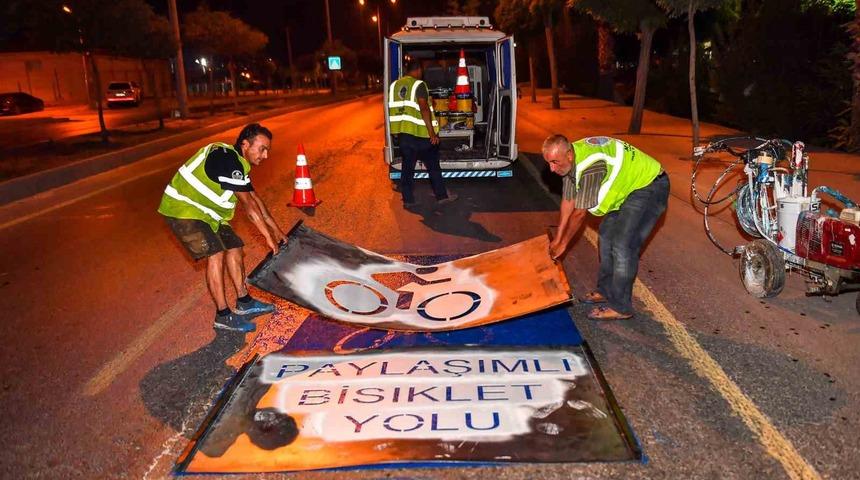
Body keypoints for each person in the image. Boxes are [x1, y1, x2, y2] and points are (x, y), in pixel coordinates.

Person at [158, 123, 286, 332]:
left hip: (208, 214)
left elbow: (255, 200)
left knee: (234, 247)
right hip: (183, 209)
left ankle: (244, 301)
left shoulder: (238, 166)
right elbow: (249, 207)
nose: (265, 155)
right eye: (262, 148)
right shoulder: (227, 159)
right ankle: (223, 315)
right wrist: (269, 240)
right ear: (245, 144)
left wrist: (277, 231)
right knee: (215, 253)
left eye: (267, 150)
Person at [543, 135, 669, 320]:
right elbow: (568, 200)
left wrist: (564, 244)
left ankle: (621, 307)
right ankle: (606, 291)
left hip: (649, 186)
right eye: (549, 163)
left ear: (569, 155)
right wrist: (558, 237)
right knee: (606, 236)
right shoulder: (570, 160)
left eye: (555, 162)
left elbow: (579, 213)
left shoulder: (591, 166)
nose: (552, 169)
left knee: (622, 245)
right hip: (627, 190)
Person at [388, 60, 457, 208]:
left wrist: (395, 133)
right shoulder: (418, 85)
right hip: (421, 135)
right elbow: (424, 107)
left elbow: (393, 110)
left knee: (407, 168)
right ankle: (441, 196)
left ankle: (408, 200)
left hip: (403, 135)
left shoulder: (394, 86)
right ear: (418, 70)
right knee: (433, 166)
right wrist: (432, 133)